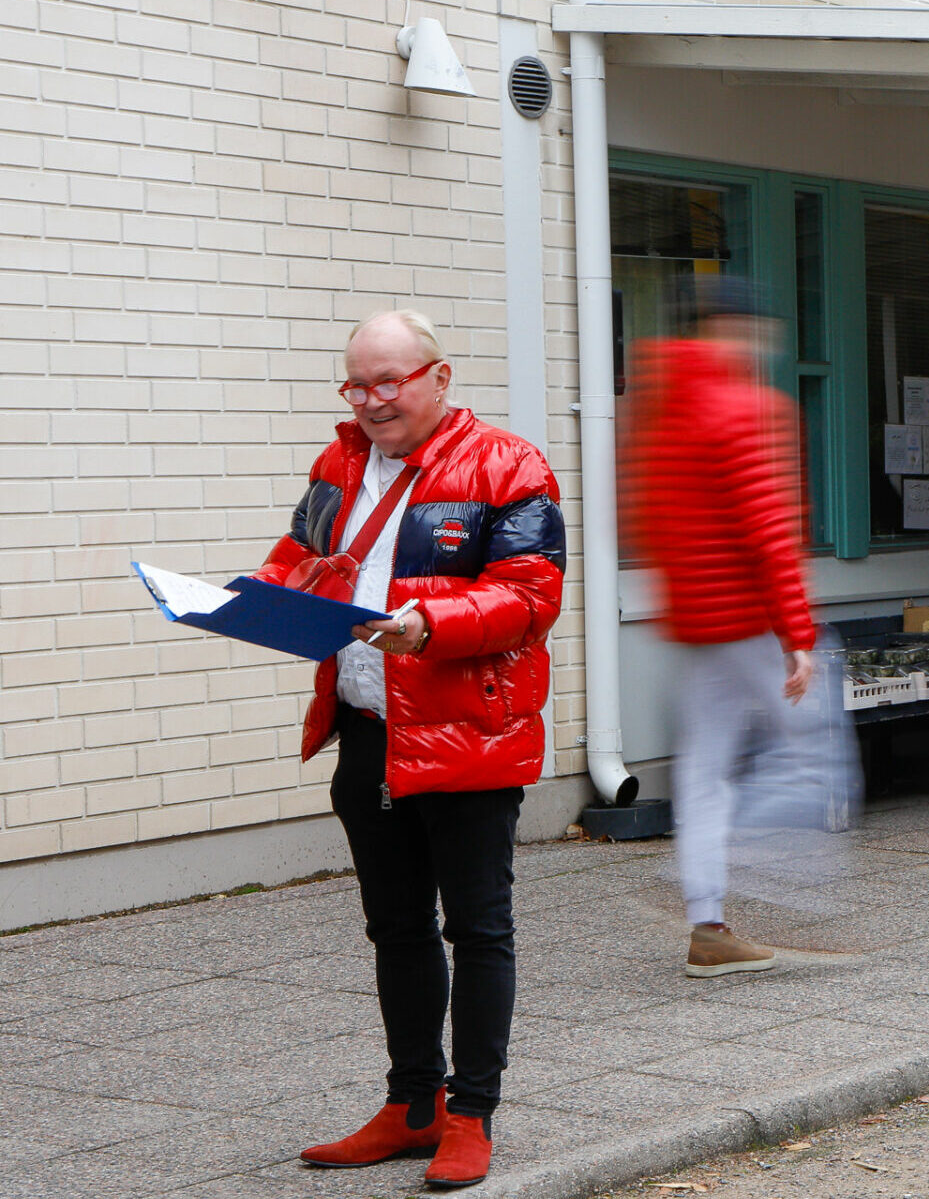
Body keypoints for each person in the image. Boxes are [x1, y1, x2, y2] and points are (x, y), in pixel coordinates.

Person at [259, 310, 565, 1188]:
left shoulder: (510, 465)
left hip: (468, 734)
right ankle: (412, 1105)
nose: (373, 402)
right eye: (357, 385)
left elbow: (529, 596)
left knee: (477, 927)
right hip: (366, 730)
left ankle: (471, 1116)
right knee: (395, 928)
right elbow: (300, 556)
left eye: (390, 382)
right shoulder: (339, 461)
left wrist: (432, 624)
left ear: (439, 376)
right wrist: (254, 595)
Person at [626, 276, 816, 978]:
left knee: (704, 772)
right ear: (727, 327)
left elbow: (643, 520)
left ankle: (708, 922)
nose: (763, 341)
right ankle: (793, 893)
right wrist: (797, 634)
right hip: (746, 618)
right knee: (815, 748)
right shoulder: (746, 406)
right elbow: (768, 530)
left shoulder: (653, 408)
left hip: (692, 621)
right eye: (755, 326)